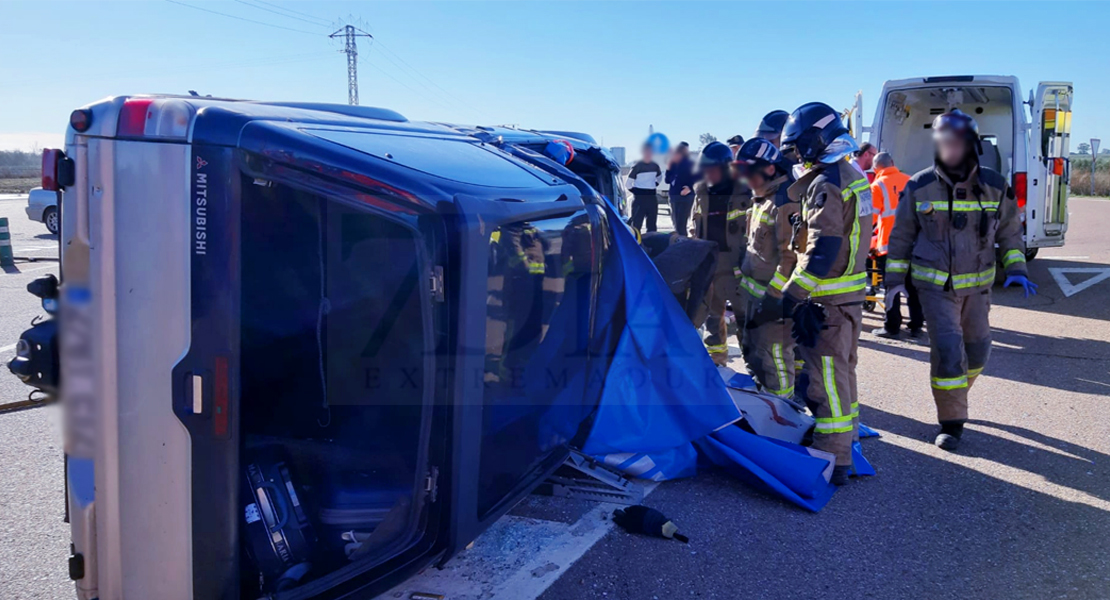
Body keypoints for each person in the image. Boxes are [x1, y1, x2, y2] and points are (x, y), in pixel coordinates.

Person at [885, 109, 1036, 452]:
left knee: (978, 352)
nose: (947, 149)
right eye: (941, 143)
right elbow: (901, 237)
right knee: (949, 354)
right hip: (935, 289)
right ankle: (951, 422)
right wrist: (893, 281)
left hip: (978, 288)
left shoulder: (995, 186)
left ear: (970, 144)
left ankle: (956, 397)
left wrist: (1016, 269)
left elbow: (1011, 231)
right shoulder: (919, 186)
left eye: (953, 143)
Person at [776, 102, 872, 485]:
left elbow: (824, 247)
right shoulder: (852, 174)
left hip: (827, 300)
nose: (797, 155)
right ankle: (847, 446)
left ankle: (834, 459)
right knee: (844, 375)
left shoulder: (827, 183)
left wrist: (791, 294)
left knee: (825, 380)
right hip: (848, 297)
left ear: (817, 139)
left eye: (800, 146)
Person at [734, 138, 800, 399]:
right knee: (753, 352)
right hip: (754, 297)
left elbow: (790, 258)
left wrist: (774, 300)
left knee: (774, 357)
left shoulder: (785, 203)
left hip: (772, 302)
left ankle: (782, 411)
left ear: (769, 170)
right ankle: (762, 403)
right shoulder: (762, 199)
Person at [693, 141, 753, 365]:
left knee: (746, 322)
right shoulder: (701, 192)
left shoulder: (745, 192)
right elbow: (695, 227)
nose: (708, 174)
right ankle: (717, 365)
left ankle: (754, 369)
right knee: (712, 320)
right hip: (711, 265)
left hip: (739, 269)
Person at [868, 151, 922, 339]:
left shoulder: (877, 186)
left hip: (889, 246)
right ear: (893, 163)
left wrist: (867, 244)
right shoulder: (911, 181)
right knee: (913, 287)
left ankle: (892, 327)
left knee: (892, 287)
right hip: (913, 244)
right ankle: (916, 326)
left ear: (876, 169)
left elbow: (871, 220)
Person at [665, 141, 700, 236]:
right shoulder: (672, 164)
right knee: (676, 222)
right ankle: (679, 241)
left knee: (681, 223)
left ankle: (682, 243)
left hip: (686, 196)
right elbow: (667, 180)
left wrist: (689, 187)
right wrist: (668, 169)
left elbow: (699, 176)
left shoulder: (690, 163)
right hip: (674, 195)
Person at [626, 142, 662, 232]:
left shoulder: (655, 166)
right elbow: (628, 184)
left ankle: (652, 244)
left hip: (652, 198)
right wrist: (637, 191)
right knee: (636, 224)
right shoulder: (637, 166)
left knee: (652, 224)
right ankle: (636, 244)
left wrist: (654, 185)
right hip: (639, 199)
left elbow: (660, 178)